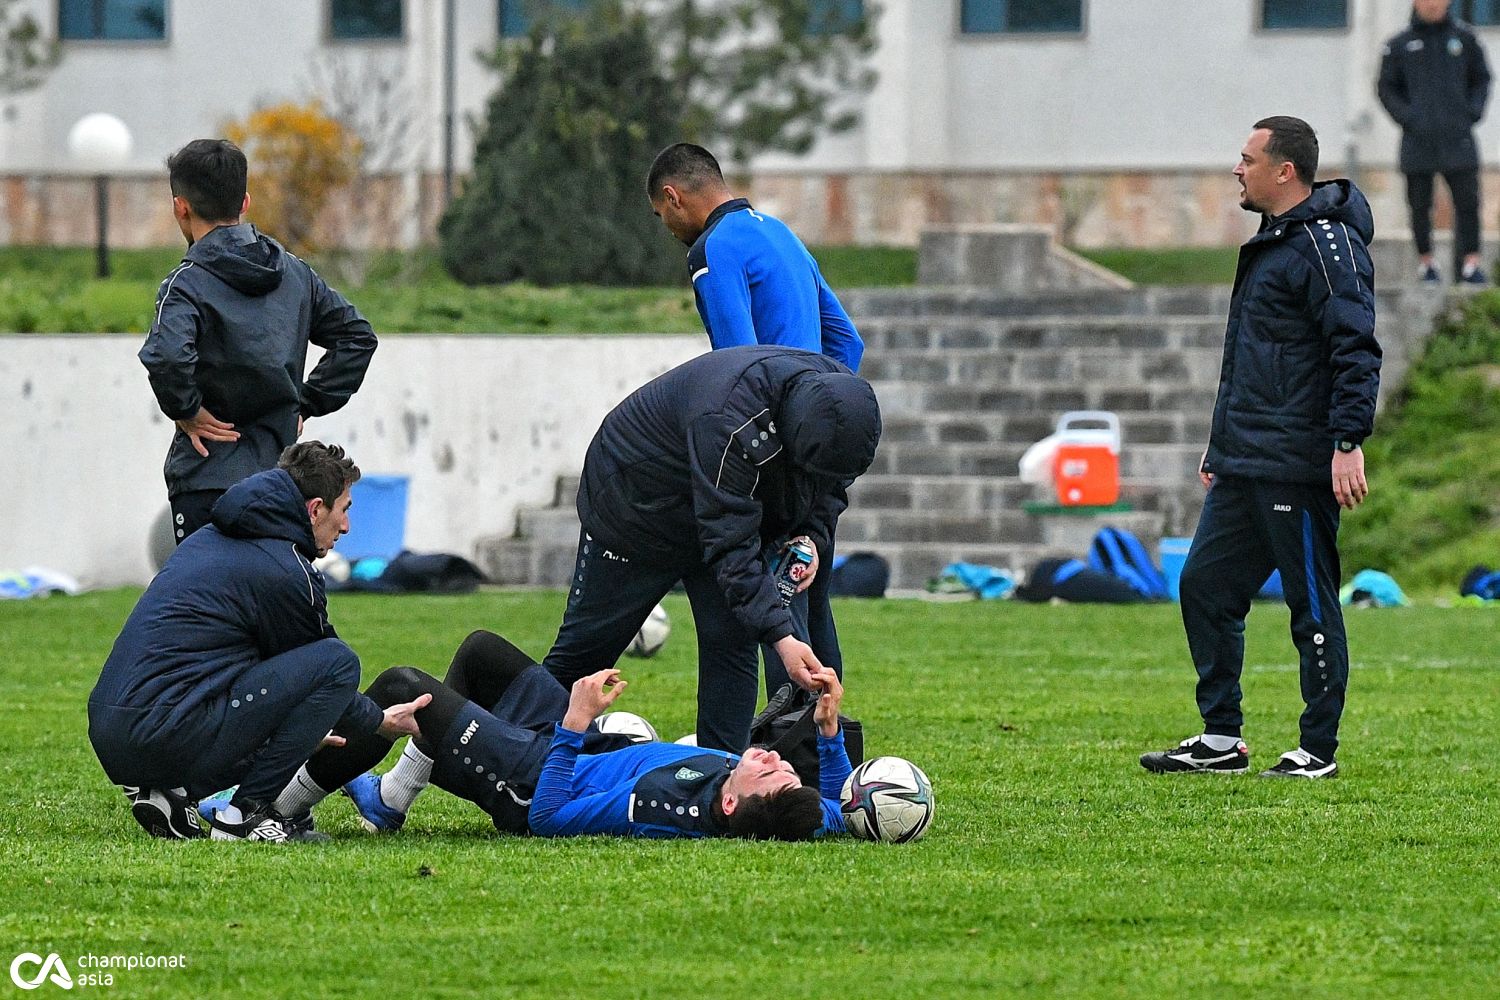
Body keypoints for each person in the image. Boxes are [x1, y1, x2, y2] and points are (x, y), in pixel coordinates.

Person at [1140, 117, 1381, 780]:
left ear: (1284, 171)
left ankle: (1318, 750)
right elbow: (1248, 360)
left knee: (1312, 607)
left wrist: (1347, 441)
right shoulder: (1273, 243)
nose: (1236, 171)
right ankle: (1222, 737)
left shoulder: (1326, 246)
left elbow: (1354, 349)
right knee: (1204, 586)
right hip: (1246, 460)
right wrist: (1221, 446)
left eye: (1247, 160)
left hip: (1296, 465)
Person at [544, 345, 879, 753]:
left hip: (714, 503)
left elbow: (828, 485)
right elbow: (731, 544)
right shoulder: (730, 422)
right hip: (635, 506)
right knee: (583, 654)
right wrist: (783, 638)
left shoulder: (837, 398)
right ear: (789, 436)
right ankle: (522, 760)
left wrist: (810, 536)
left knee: (732, 641)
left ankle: (723, 782)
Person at [87, 442, 429, 842]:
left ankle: (168, 792)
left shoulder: (210, 538)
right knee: (338, 662)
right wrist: (377, 720)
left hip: (114, 730)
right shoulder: (286, 569)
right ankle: (243, 813)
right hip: (164, 730)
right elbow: (324, 677)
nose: (347, 527)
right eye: (345, 510)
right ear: (315, 509)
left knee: (268, 684)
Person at [263, 629, 851, 841]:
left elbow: (548, 817)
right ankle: (391, 801)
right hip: (568, 743)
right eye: (785, 767)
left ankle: (276, 807)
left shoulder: (657, 807)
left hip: (534, 776)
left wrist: (573, 724)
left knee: (401, 687)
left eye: (769, 771)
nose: (775, 757)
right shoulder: (782, 811)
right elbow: (831, 811)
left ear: (728, 801)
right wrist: (826, 737)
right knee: (482, 653)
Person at [647, 141, 864, 700]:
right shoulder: (781, 234)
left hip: (768, 448)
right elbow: (847, 340)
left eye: (660, 214)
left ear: (672, 197)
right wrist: (817, 404)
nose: (666, 226)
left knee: (772, 599)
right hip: (818, 441)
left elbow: (736, 367)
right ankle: (828, 741)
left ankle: (783, 746)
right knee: (809, 592)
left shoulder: (713, 249)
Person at [139, 138, 378, 544]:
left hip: (206, 479)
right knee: (271, 603)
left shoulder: (185, 285)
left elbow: (167, 357)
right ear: (245, 202)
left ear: (180, 206)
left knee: (203, 603)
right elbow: (357, 337)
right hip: (281, 483)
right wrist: (305, 402)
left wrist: (188, 410)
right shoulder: (296, 274)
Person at [1377, 0, 1492, 285]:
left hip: (1458, 139)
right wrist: (1408, 117)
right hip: (1418, 141)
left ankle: (1470, 264)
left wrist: (1471, 113)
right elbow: (1386, 87)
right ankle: (1426, 263)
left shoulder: (1465, 40)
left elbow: (1482, 79)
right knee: (1419, 204)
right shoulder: (1399, 45)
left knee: (1467, 202)